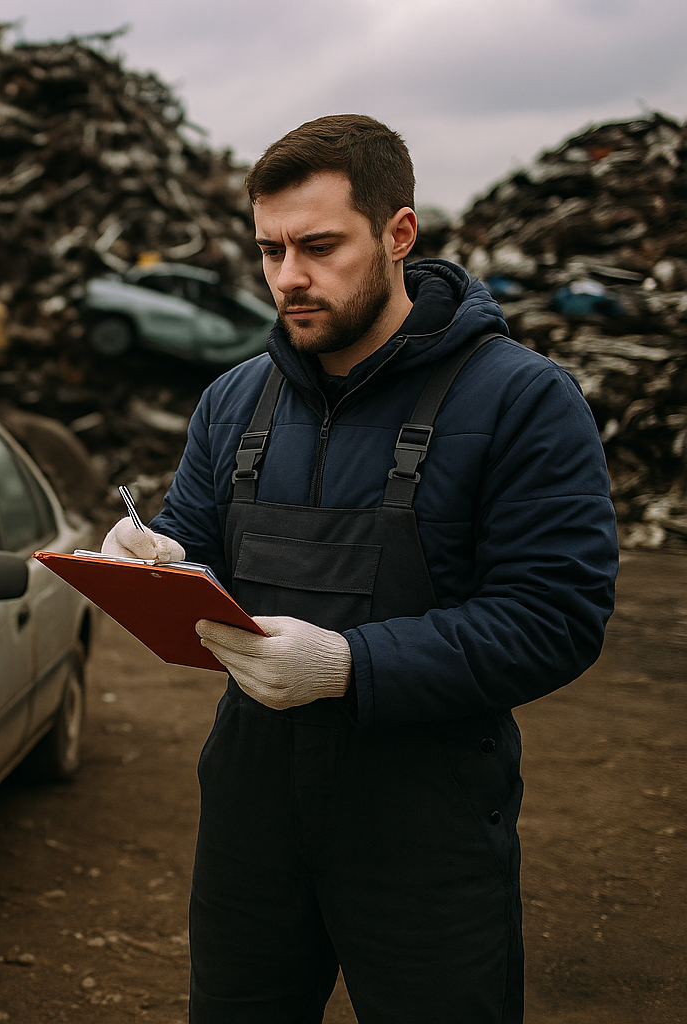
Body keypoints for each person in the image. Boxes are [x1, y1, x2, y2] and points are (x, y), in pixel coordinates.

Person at [101, 114, 617, 1023]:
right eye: (269, 250)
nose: (288, 278)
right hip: (250, 811)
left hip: (427, 823)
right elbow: (197, 544)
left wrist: (349, 666)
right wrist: (157, 559)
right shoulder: (235, 399)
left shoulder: (523, 400)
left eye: (319, 246)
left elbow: (554, 617)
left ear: (398, 235)